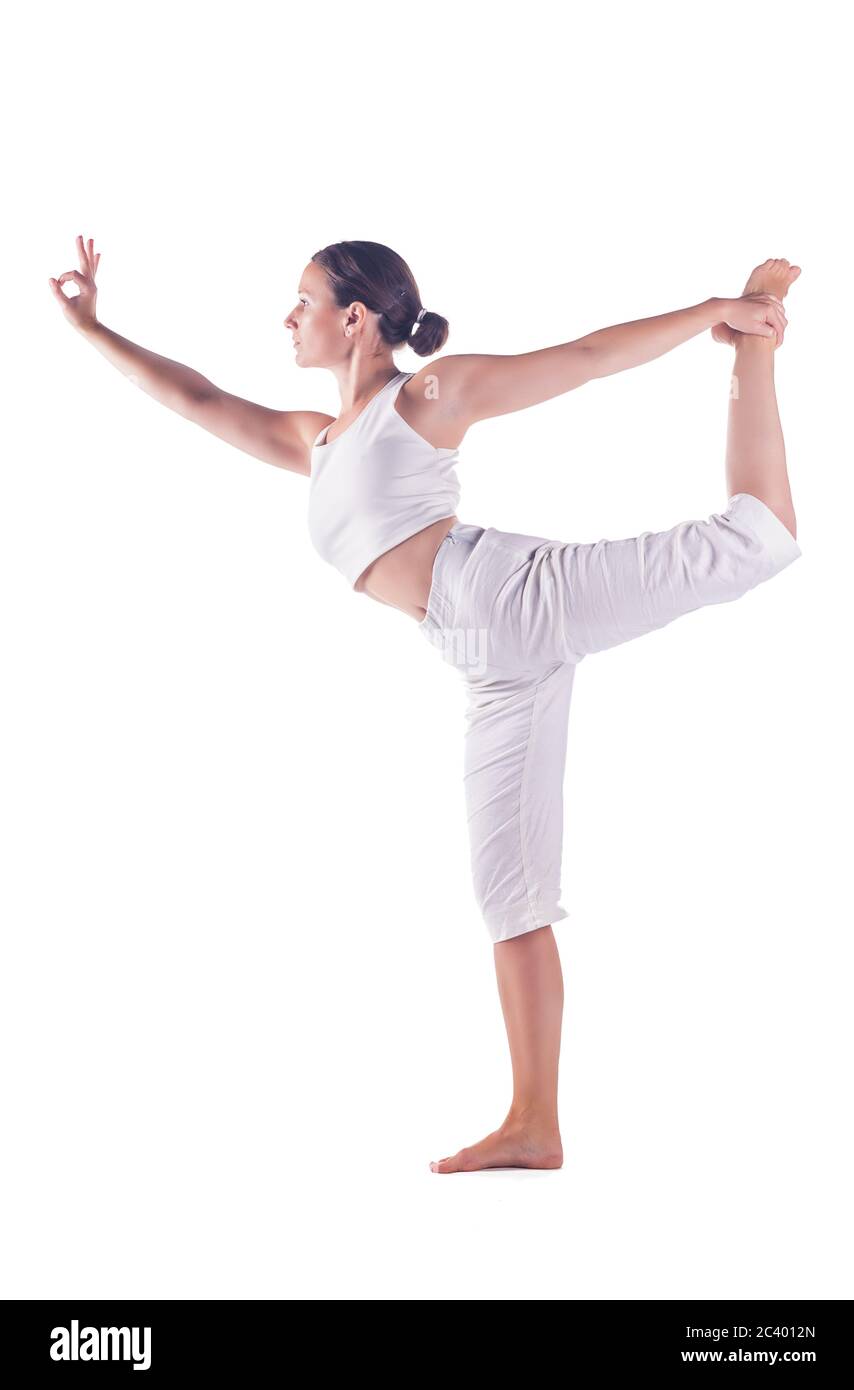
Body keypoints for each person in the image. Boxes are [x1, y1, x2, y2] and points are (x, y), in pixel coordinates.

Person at [49, 238, 802, 1175]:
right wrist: (92, 328)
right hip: (483, 661)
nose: (289, 318)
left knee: (757, 543)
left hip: (512, 596)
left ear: (355, 318)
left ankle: (758, 352)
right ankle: (534, 1123)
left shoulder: (424, 401)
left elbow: (583, 358)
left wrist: (718, 315)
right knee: (510, 896)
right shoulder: (313, 443)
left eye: (303, 301)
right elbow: (196, 397)